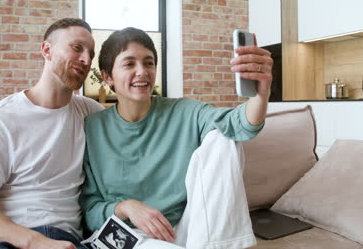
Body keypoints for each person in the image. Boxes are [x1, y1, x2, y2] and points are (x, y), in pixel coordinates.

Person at [79, 27, 273, 248]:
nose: (142, 71)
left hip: (186, 231)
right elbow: (90, 212)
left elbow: (240, 125)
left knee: (222, 138)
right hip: (126, 235)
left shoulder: (184, 111)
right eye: (129, 64)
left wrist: (262, 93)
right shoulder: (93, 128)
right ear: (107, 77)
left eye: (149, 63)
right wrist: (127, 207)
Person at [0, 18, 104, 249]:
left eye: (91, 53)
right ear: (47, 50)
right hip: (5, 238)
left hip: (66, 240)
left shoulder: (92, 114)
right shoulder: (1, 118)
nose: (86, 60)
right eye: (77, 48)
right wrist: (36, 242)